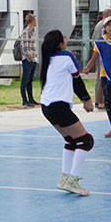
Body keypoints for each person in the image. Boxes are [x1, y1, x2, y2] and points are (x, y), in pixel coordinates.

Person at [39, 29, 95, 195]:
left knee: (71, 140)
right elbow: (77, 81)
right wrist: (86, 99)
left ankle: (64, 178)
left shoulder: (48, 59)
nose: (66, 37)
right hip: (58, 106)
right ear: (60, 44)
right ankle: (72, 180)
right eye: (63, 36)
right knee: (85, 141)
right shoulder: (67, 57)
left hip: (46, 106)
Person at [90, 8, 111, 109]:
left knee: (105, 77)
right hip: (102, 54)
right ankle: (99, 101)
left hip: (102, 53)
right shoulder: (103, 25)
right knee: (101, 77)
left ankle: (105, 100)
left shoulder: (99, 24)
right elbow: (101, 40)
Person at [19, 13, 38, 107]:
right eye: (35, 19)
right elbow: (25, 47)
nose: (36, 21)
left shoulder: (32, 32)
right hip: (28, 60)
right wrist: (29, 58)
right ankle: (24, 100)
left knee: (30, 80)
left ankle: (31, 99)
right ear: (32, 21)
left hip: (33, 59)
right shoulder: (25, 32)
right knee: (25, 80)